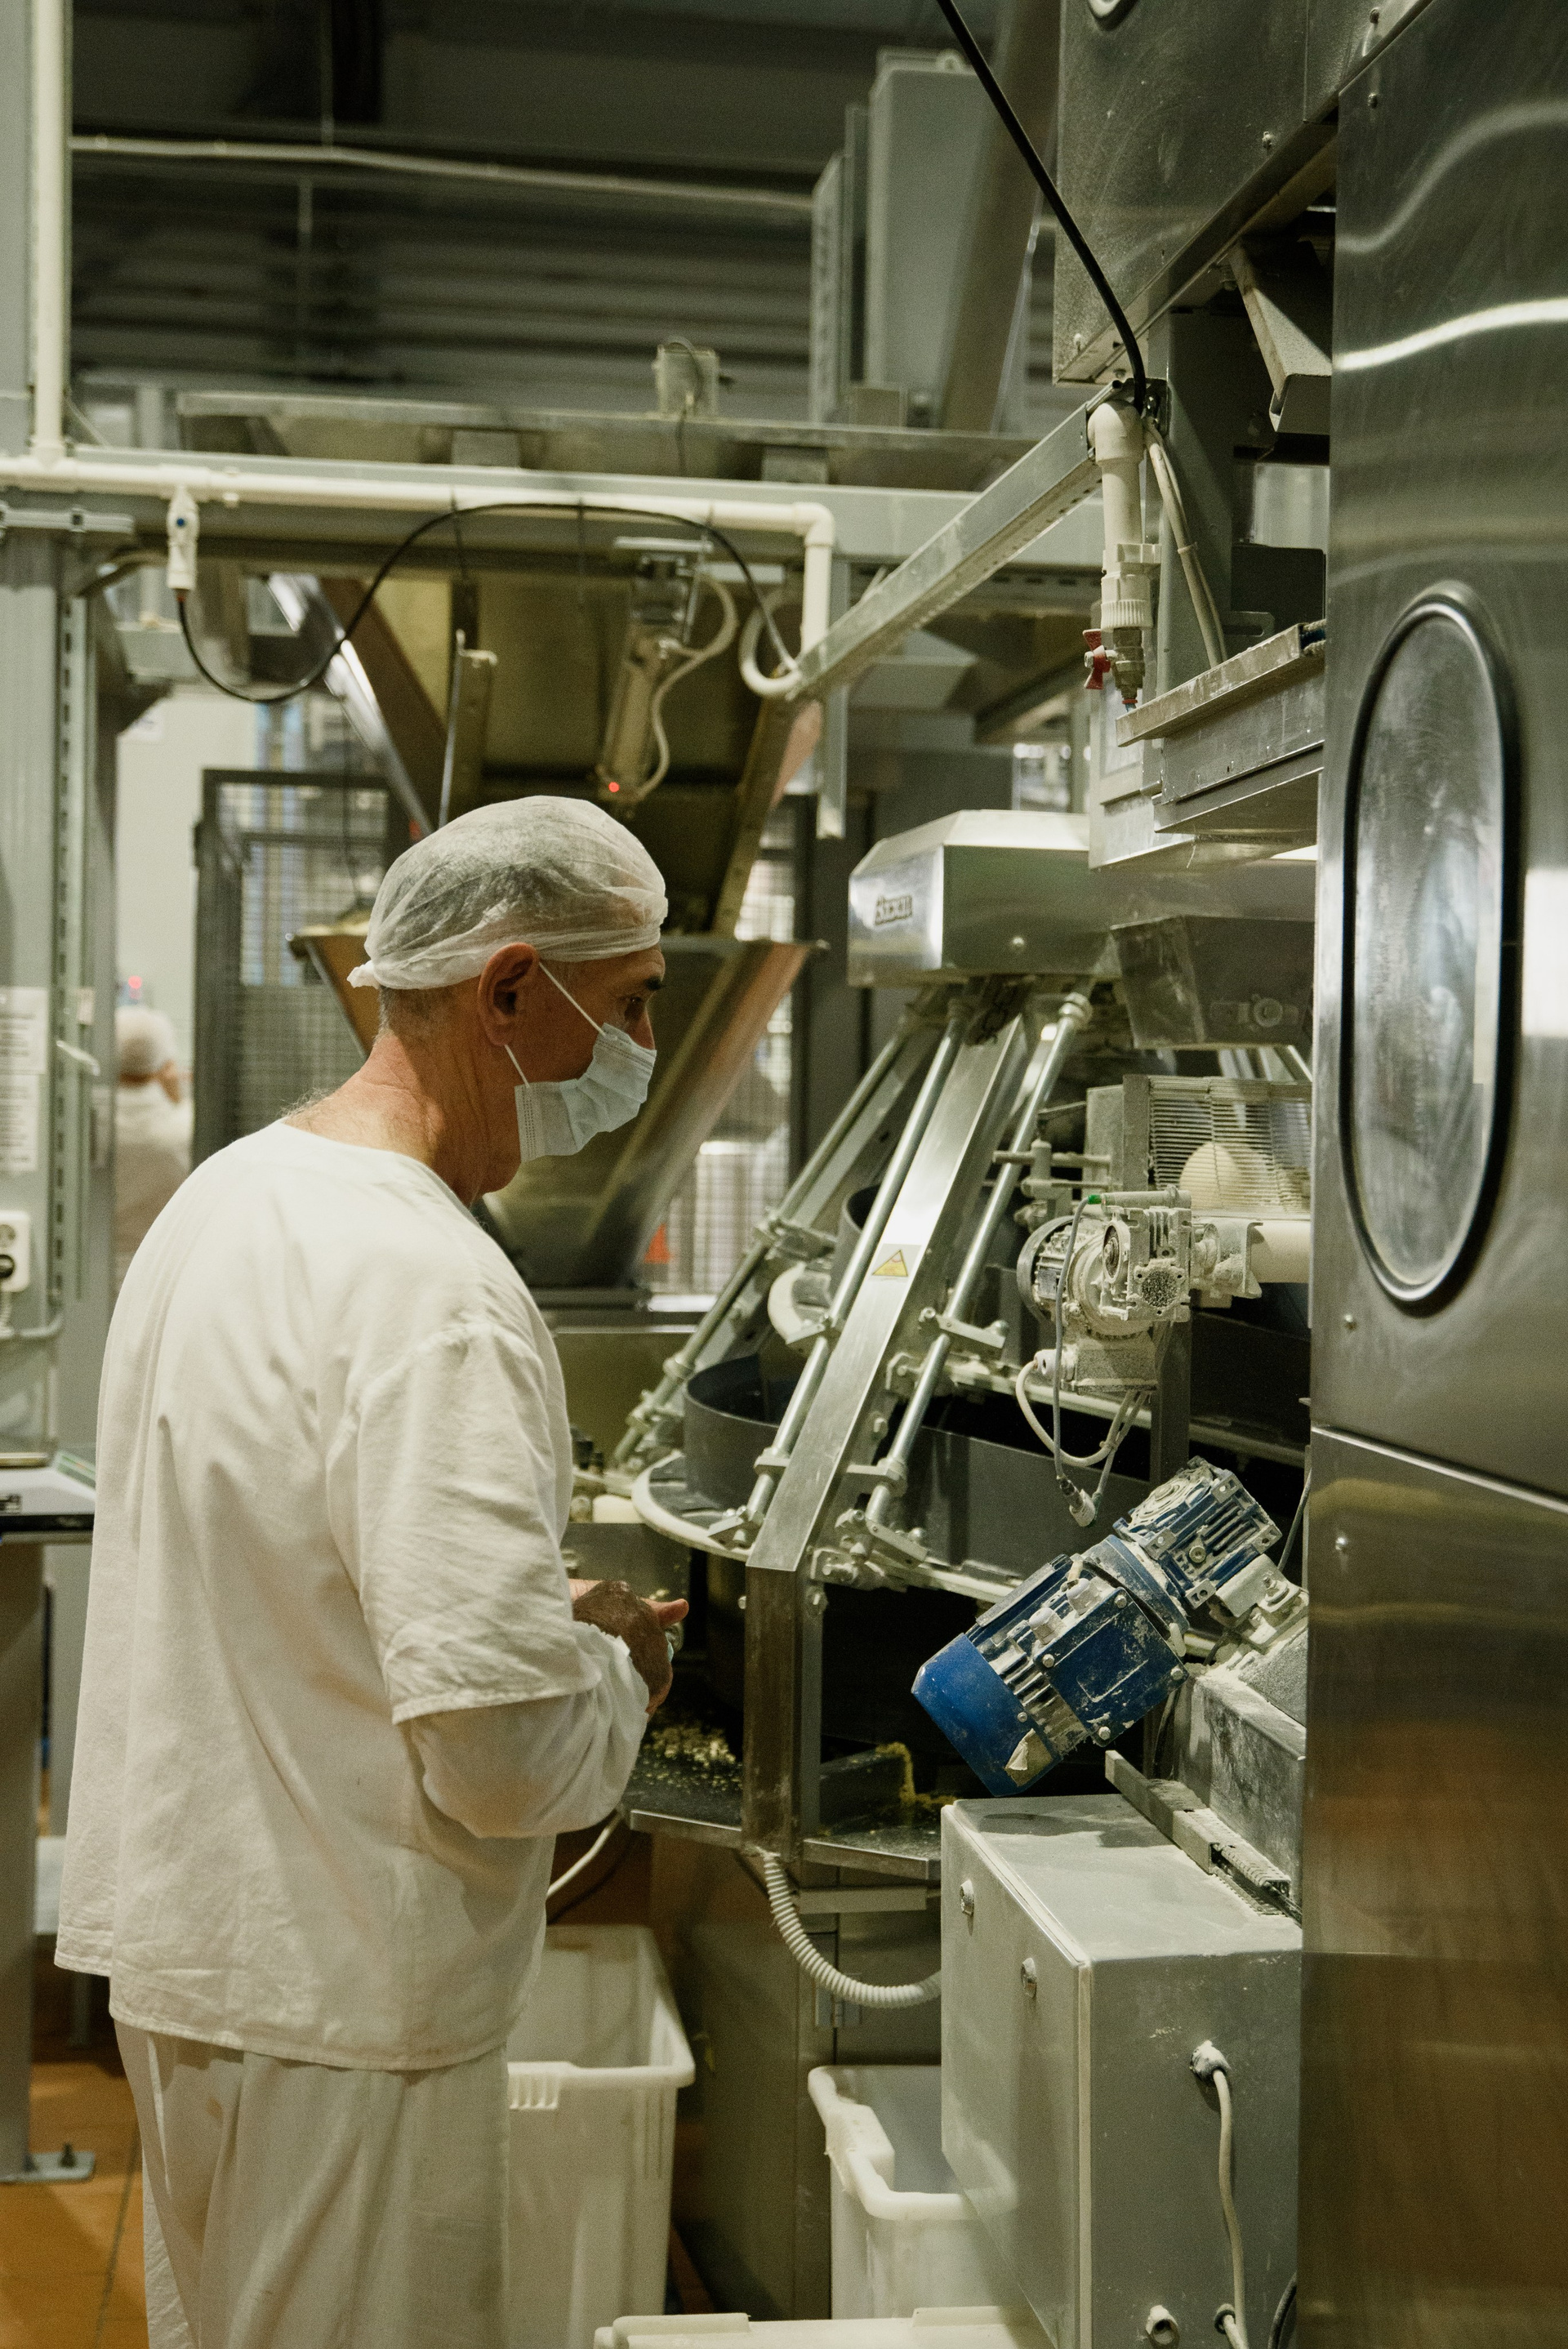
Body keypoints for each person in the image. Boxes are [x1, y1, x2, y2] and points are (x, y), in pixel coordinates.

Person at [58, 798, 686, 2349]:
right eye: (631, 1005)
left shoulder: (230, 1196)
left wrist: (526, 1622)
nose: (644, 1049)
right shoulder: (432, 1286)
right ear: (510, 988)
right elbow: (500, 1757)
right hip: (345, 1998)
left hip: (195, 1956)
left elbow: (286, 1574)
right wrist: (617, 1669)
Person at [112, 1005, 192, 1293]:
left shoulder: (83, 1125)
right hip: (162, 1274)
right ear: (165, 1060)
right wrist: (178, 1099)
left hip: (93, 1268)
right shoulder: (186, 1127)